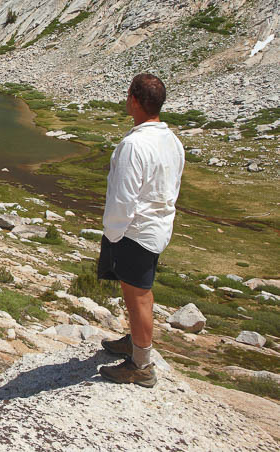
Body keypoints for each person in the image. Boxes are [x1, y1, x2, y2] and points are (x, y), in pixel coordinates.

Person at [97, 73, 184, 388]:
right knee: (136, 290)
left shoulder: (135, 144)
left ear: (133, 100)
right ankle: (135, 340)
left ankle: (141, 365)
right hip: (157, 227)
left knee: (139, 296)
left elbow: (124, 197)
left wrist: (113, 233)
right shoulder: (171, 140)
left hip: (134, 231)